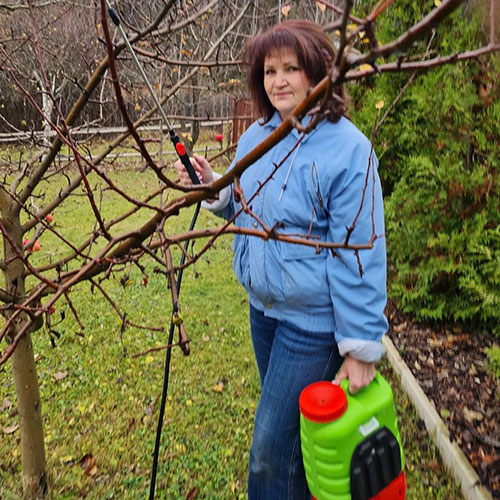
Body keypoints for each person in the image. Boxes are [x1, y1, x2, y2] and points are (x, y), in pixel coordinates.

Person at [175, 19, 388, 500]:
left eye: (292, 68)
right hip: (263, 312)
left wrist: (359, 347)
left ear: (319, 73)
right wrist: (213, 184)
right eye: (270, 70)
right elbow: (244, 205)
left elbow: (362, 254)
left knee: (270, 452)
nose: (279, 80)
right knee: (296, 441)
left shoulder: (349, 149)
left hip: (312, 325)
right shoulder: (257, 137)